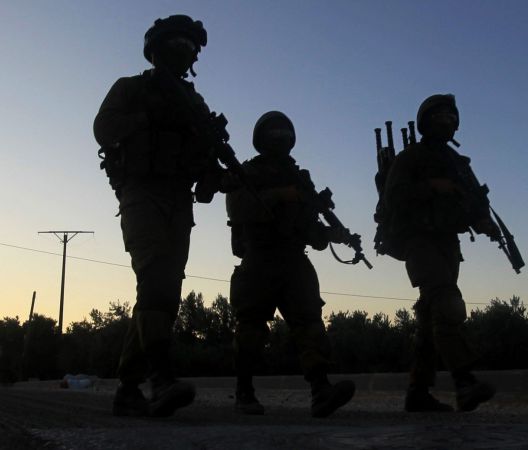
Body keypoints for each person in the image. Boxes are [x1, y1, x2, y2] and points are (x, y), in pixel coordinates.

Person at [93, 15, 224, 417]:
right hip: (141, 193)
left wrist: (213, 174)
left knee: (164, 292)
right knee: (154, 281)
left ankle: (128, 388)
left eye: (191, 46)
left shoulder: (194, 102)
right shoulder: (131, 88)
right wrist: (148, 116)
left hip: (179, 199)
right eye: (178, 43)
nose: (185, 52)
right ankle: (161, 379)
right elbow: (103, 128)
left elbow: (207, 156)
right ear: (157, 48)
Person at [225, 111, 355, 418]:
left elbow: (311, 231)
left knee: (310, 323)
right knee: (251, 327)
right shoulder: (248, 172)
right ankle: (244, 392)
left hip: (294, 259)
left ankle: (321, 390)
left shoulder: (300, 178)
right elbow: (238, 207)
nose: (279, 138)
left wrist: (333, 235)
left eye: (283, 133)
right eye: (274, 133)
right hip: (259, 257)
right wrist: (282, 195)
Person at [383, 94, 498, 412]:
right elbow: (394, 197)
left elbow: (474, 200)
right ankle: (464, 382)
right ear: (426, 122)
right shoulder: (411, 158)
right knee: (446, 301)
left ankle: (418, 392)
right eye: (441, 116)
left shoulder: (457, 163)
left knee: (430, 317)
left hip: (448, 242)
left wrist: (483, 220)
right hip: (418, 240)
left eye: (452, 116)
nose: (447, 121)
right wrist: (433, 186)